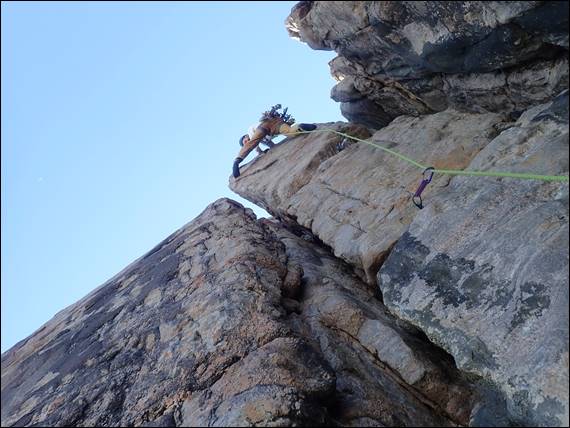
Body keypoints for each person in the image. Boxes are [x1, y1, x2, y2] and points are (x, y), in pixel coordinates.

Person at [232, 104, 317, 178]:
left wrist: (257, 152)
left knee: (252, 143)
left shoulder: (250, 130)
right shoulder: (263, 141)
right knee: (290, 132)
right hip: (276, 123)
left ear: (245, 136)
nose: (247, 142)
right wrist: (267, 151)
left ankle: (237, 161)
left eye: (245, 141)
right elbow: (272, 145)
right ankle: (300, 126)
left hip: (264, 126)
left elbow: (253, 143)